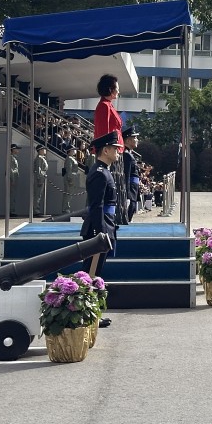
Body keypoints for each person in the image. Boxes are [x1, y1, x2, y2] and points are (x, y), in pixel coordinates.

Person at [81, 131, 121, 327]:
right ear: (105, 150)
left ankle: (91, 314)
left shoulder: (103, 170)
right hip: (100, 228)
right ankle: (86, 315)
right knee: (91, 274)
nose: (117, 152)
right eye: (115, 149)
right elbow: (96, 205)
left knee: (95, 273)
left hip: (106, 225)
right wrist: (99, 233)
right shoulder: (99, 173)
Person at [122, 126, 142, 222]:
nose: (137, 140)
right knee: (129, 213)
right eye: (135, 138)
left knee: (132, 211)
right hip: (130, 189)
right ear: (128, 140)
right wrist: (127, 194)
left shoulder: (129, 154)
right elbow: (126, 175)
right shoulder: (126, 155)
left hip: (133, 187)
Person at [62, 145, 80, 213]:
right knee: (68, 194)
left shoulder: (71, 158)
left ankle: (66, 208)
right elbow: (69, 170)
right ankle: (65, 209)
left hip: (72, 177)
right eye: (73, 150)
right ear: (69, 151)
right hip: (70, 178)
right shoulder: (69, 159)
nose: (74, 151)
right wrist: (70, 179)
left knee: (69, 194)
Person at [34, 144, 49, 216]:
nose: (45, 151)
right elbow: (38, 169)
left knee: (39, 195)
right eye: (43, 149)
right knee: (37, 195)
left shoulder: (42, 158)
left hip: (42, 177)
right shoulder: (39, 158)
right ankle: (36, 210)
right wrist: (39, 179)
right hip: (40, 178)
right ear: (40, 150)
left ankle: (37, 209)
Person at [9, 143, 20, 215]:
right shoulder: (11, 158)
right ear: (13, 149)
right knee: (11, 195)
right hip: (12, 178)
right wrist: (12, 179)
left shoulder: (14, 157)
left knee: (13, 195)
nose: (18, 150)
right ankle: (10, 211)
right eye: (16, 149)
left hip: (14, 178)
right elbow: (10, 169)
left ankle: (12, 210)